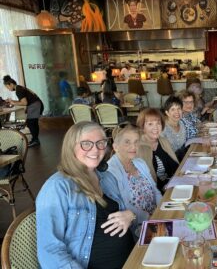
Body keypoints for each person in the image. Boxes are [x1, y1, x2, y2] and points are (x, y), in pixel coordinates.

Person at [36, 121, 136, 268]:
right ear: (71, 147)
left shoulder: (107, 178)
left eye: (100, 143)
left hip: (133, 259)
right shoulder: (57, 187)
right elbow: (49, 251)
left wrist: (130, 216)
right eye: (86, 144)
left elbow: (122, 217)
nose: (95, 150)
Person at [108, 123, 162, 237]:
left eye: (136, 142)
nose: (133, 147)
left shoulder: (140, 163)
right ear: (115, 146)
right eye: (127, 142)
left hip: (157, 216)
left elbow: (155, 190)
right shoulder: (111, 172)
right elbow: (124, 206)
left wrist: (161, 208)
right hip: (137, 226)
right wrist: (151, 218)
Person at [137, 108, 179, 193]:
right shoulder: (139, 147)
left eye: (158, 123)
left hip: (171, 185)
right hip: (155, 192)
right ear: (142, 127)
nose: (155, 127)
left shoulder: (163, 141)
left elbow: (174, 165)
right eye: (150, 124)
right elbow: (144, 181)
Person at [3, 75, 43, 147]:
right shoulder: (19, 87)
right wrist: (13, 101)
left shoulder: (18, 90)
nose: (8, 89)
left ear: (11, 84)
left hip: (35, 105)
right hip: (37, 104)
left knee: (31, 122)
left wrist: (13, 103)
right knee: (32, 122)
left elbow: (24, 103)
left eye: (7, 87)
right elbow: (22, 101)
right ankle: (35, 140)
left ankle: (35, 140)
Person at [161, 96, 187, 160]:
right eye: (173, 109)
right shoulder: (163, 128)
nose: (177, 112)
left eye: (179, 109)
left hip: (181, 158)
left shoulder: (182, 124)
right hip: (168, 161)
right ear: (167, 113)